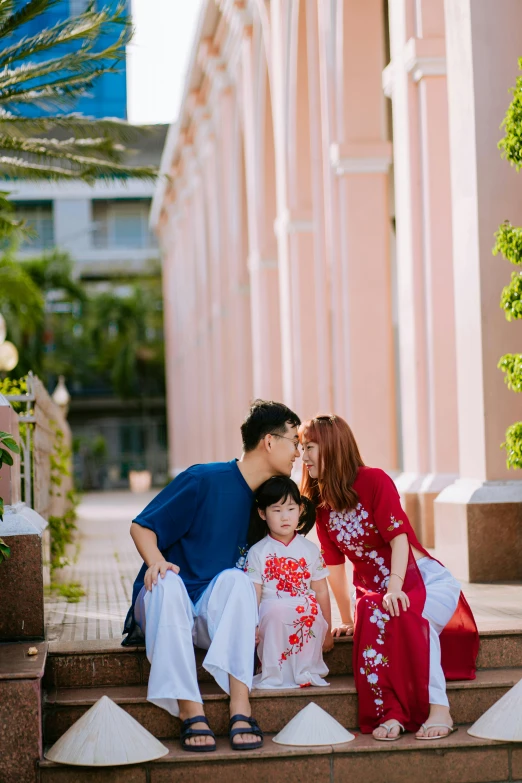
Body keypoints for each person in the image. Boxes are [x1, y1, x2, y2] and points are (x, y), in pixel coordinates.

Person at [123, 399, 301, 752]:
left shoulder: (264, 506)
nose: (297, 452)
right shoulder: (204, 479)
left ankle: (240, 705)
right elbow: (141, 527)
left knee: (236, 581)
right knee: (169, 586)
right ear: (269, 442)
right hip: (163, 604)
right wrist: (156, 561)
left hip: (207, 614)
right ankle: (190, 710)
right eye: (294, 441)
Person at [299, 414, 479, 742]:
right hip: (379, 593)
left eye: (310, 446)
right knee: (372, 613)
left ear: (332, 447)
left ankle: (440, 709)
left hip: (423, 580)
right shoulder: (322, 506)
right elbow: (334, 566)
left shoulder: (374, 481)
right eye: (301, 447)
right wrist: (346, 617)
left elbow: (399, 539)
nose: (304, 456)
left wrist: (395, 588)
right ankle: (390, 710)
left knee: (404, 613)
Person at [244, 476, 333, 690]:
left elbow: (320, 589)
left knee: (310, 610)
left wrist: (328, 629)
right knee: (276, 610)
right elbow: (254, 592)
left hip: (303, 606)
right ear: (262, 513)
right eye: (276, 510)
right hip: (271, 609)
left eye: (291, 509)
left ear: (301, 509)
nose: (285, 517)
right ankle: (275, 673)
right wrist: (252, 625)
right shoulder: (258, 551)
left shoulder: (310, 549)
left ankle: (305, 671)